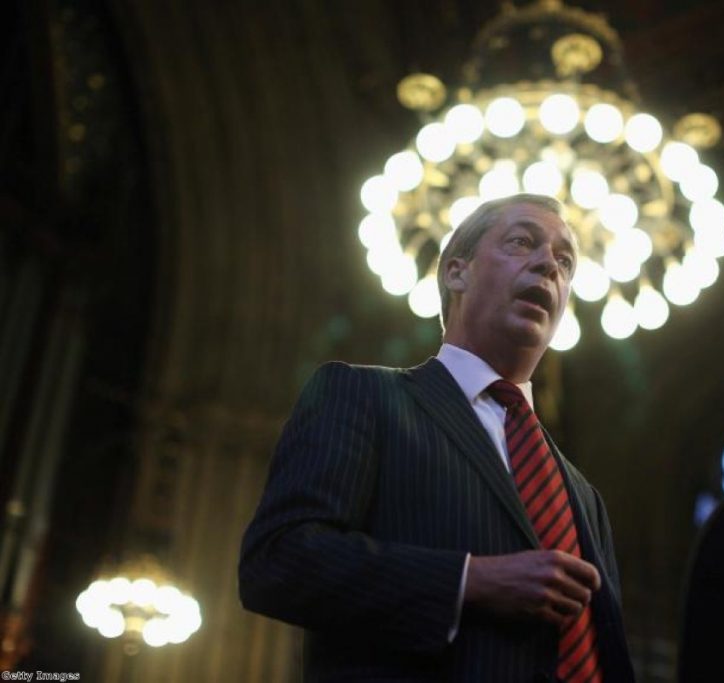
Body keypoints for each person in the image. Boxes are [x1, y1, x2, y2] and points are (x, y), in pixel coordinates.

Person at [238, 194, 634, 682]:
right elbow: (277, 562)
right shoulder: (362, 395)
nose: (547, 265)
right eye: (522, 242)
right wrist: (469, 580)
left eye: (565, 260)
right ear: (455, 273)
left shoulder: (583, 495)